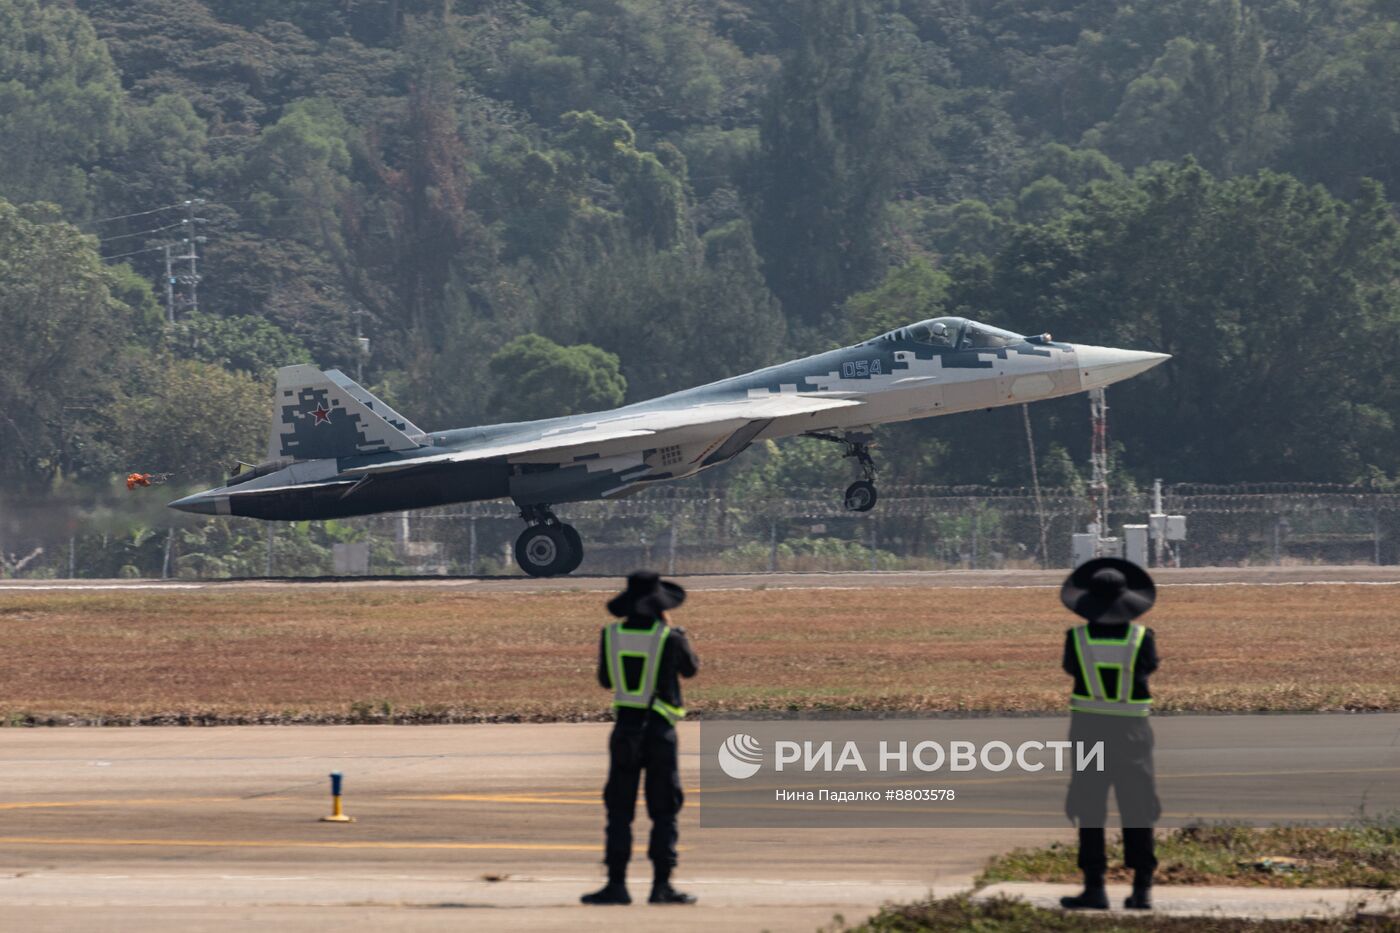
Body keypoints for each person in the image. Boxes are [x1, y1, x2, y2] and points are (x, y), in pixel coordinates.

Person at [581, 570, 699, 907]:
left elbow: (606, 680)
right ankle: (661, 884)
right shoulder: (669, 637)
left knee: (619, 810)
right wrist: (678, 634)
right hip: (660, 732)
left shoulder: (612, 635)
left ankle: (616, 884)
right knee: (664, 810)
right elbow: (690, 670)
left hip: (624, 732)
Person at [1058, 557, 1161, 912]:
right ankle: (1142, 888)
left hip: (1089, 734)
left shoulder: (1076, 639)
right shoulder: (1142, 638)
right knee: (1138, 807)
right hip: (1132, 734)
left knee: (1089, 807)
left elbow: (1072, 669)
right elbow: (1149, 667)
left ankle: (1094, 887)